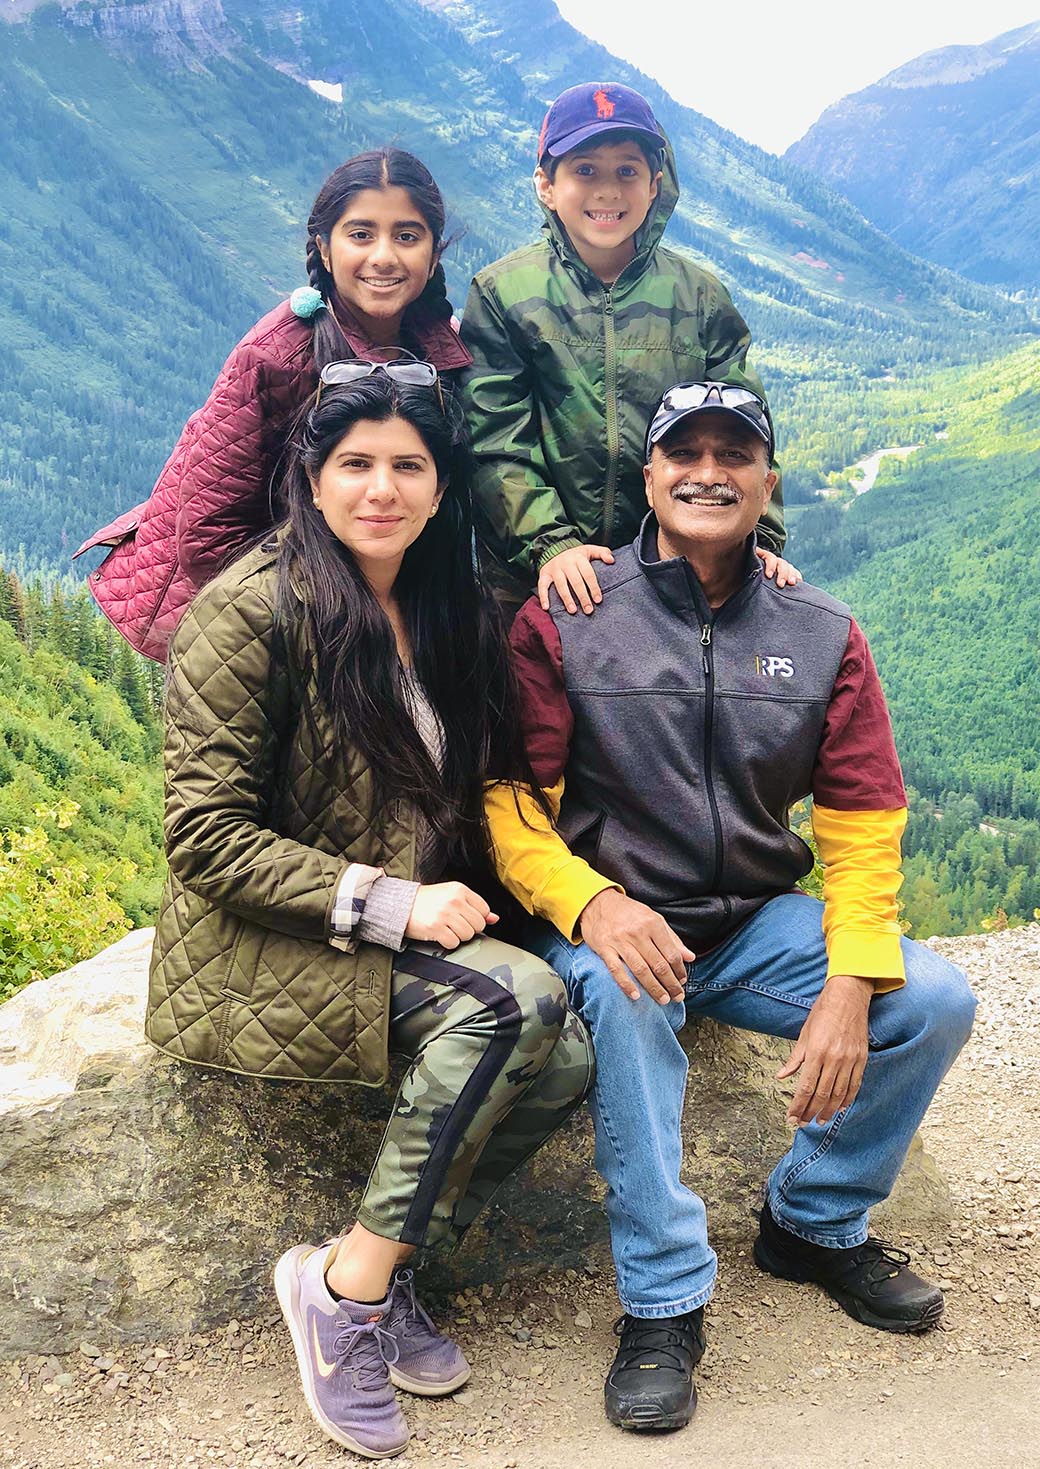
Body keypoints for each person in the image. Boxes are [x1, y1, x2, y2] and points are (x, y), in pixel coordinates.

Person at [483, 380, 976, 1433]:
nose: (707, 470)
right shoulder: (568, 615)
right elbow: (513, 808)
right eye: (684, 452)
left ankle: (811, 1220)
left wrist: (851, 975)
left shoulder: (821, 628)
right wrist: (591, 903)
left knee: (928, 997)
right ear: (649, 475)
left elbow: (858, 819)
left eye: (732, 453)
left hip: (752, 919)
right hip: (613, 912)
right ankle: (662, 1302)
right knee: (623, 997)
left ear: (765, 479)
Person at [145, 367, 594, 1460]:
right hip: (264, 931)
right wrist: (386, 899)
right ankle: (346, 1299)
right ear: (310, 474)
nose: (380, 488)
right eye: (355, 463)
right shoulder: (249, 608)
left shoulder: (448, 607)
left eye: (407, 465)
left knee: (571, 1054)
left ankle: (367, 1268)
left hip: (380, 925)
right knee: (510, 1004)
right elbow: (202, 833)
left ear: (441, 489)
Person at [74, 148, 471, 662]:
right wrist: (311, 626)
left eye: (407, 236)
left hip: (369, 603)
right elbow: (208, 532)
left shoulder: (443, 352)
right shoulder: (279, 354)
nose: (384, 256)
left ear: (434, 254)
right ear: (324, 250)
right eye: (360, 234)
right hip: (269, 617)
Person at [460, 81, 798, 621]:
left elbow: (747, 432)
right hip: (535, 583)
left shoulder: (699, 296)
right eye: (585, 170)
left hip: (675, 575)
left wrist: (759, 542)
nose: (608, 191)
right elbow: (495, 442)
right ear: (546, 185)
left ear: (655, 183)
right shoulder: (505, 293)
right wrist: (552, 544)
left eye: (627, 170)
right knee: (537, 703)